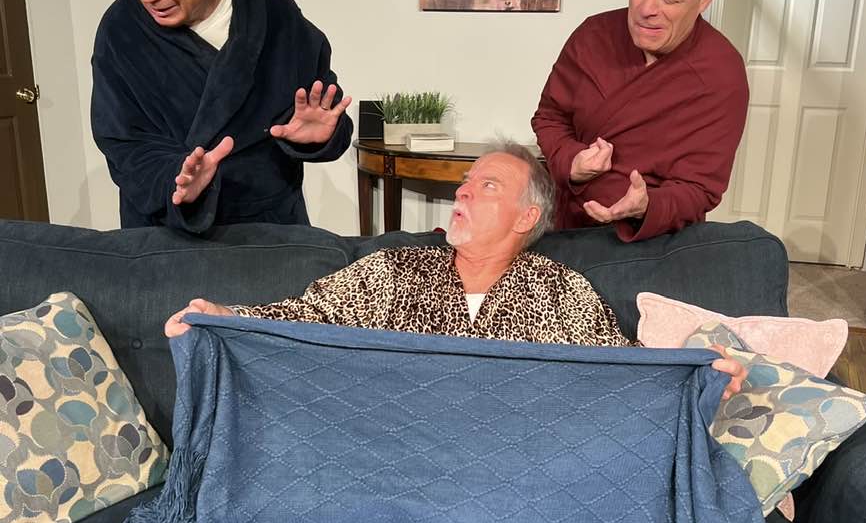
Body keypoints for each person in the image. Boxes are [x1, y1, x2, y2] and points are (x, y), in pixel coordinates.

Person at [166, 142, 747, 401]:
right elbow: (301, 319)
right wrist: (224, 318)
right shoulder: (395, 271)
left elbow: (617, 374)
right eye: (465, 183)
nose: (463, 190)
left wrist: (698, 380)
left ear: (527, 216)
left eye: (486, 185)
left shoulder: (560, 291)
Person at [91, 0, 352, 232]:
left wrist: (321, 135)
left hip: (269, 228)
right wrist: (178, 178)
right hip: (165, 233)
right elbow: (123, 143)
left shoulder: (270, 5)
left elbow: (320, 104)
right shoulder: (119, 31)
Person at [531, 0, 749, 242]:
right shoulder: (593, 35)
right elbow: (550, 116)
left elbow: (700, 189)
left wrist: (646, 206)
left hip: (649, 245)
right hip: (566, 228)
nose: (648, 7)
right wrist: (570, 160)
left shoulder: (721, 73)